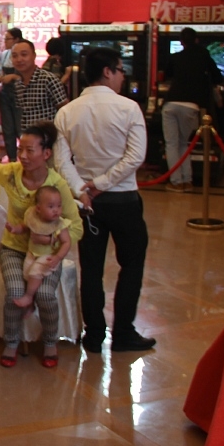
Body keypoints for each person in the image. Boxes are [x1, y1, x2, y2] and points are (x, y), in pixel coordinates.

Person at [53, 46, 152, 353]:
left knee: (92, 269)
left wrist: (84, 189)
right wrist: (103, 184)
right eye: (120, 70)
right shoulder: (129, 108)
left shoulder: (67, 111)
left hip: (87, 205)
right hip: (124, 201)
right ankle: (123, 333)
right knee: (131, 265)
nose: (122, 76)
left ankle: (94, 335)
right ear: (108, 72)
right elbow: (135, 156)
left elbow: (62, 161)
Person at [0, 122, 83, 367]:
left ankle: (50, 342)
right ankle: (11, 342)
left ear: (46, 153)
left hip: (47, 253)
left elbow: (76, 226)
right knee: (15, 293)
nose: (23, 156)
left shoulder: (57, 185)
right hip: (14, 248)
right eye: (20, 150)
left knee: (46, 295)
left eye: (30, 150)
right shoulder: (10, 172)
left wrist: (51, 240)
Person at [160, 27, 223, 193]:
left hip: (171, 104)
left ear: (181, 42)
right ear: (196, 40)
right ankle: (187, 181)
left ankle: (176, 182)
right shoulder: (204, 55)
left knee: (171, 144)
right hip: (191, 106)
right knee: (184, 144)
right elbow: (218, 77)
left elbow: (165, 75)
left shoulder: (175, 57)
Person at [7, 186, 72, 312]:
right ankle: (31, 304)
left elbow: (66, 242)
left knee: (35, 272)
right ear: (38, 208)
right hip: (32, 253)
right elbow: (25, 227)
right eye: (51, 206)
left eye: (59, 206)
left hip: (48, 256)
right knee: (27, 274)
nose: (56, 210)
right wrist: (15, 229)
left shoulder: (60, 224)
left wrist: (58, 257)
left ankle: (29, 296)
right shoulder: (33, 216)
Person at [1, 38, 67, 136]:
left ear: (34, 56)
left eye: (24, 55)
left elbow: (65, 111)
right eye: (14, 56)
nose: (19, 59)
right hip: (29, 139)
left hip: (48, 138)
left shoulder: (48, 80)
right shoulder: (18, 84)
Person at [0, 28, 22, 159]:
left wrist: (12, 76)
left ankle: (24, 156)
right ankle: (12, 159)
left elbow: (27, 76)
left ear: (16, 39)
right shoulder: (5, 54)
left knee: (20, 127)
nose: (5, 41)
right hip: (6, 93)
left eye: (8, 39)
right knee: (7, 129)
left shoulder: (22, 57)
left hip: (19, 94)